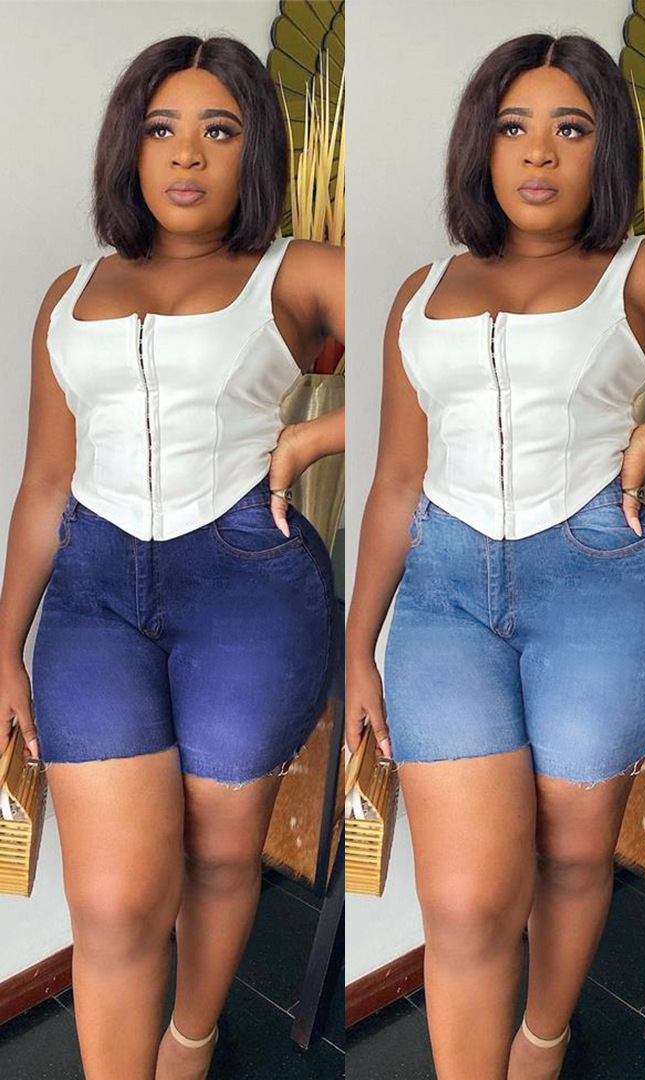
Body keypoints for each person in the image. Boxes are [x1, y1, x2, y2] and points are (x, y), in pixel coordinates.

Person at [346, 33, 645, 1080]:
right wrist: (357, 648)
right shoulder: (419, 291)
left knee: (576, 852)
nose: (539, 152)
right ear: (481, 145)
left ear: (606, 148)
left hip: (601, 586)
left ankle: (542, 1040)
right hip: (445, 594)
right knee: (463, 904)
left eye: (570, 128)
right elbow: (396, 480)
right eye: (514, 126)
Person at [0, 36, 344, 1080]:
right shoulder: (69, 292)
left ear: (254, 150)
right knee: (112, 904)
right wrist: (3, 646)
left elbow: (450, 365)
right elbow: (46, 481)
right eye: (162, 128)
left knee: (222, 853)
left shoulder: (296, 271)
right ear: (130, 145)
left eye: (218, 130)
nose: (187, 154)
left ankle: (190, 1040)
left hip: (250, 589)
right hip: (94, 595)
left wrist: (311, 440)